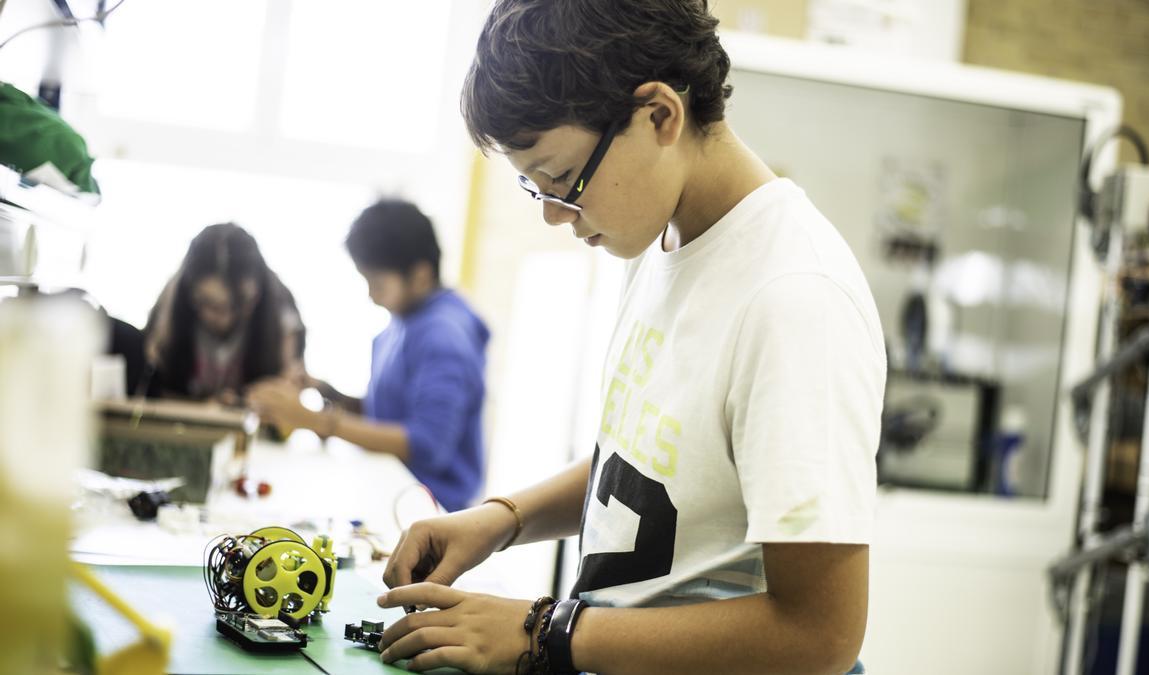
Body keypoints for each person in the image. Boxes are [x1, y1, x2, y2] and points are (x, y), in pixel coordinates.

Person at [373, 1, 887, 674]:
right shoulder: (661, 238)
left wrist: (545, 630)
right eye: (535, 188)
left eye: (562, 180)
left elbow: (820, 635)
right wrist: (503, 519)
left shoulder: (795, 297)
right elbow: (662, 461)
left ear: (659, 116)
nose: (557, 215)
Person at [247, 200, 490, 513]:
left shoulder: (444, 336)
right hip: (395, 492)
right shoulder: (405, 321)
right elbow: (391, 415)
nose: (371, 295)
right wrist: (329, 393)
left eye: (377, 283)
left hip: (431, 510)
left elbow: (427, 444)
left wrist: (313, 421)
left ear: (420, 275)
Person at [144, 223, 305, 404]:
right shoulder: (168, 312)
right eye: (209, 304)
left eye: (240, 304)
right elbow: (153, 390)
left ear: (258, 292)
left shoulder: (281, 313)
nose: (225, 319)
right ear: (189, 292)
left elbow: (288, 392)